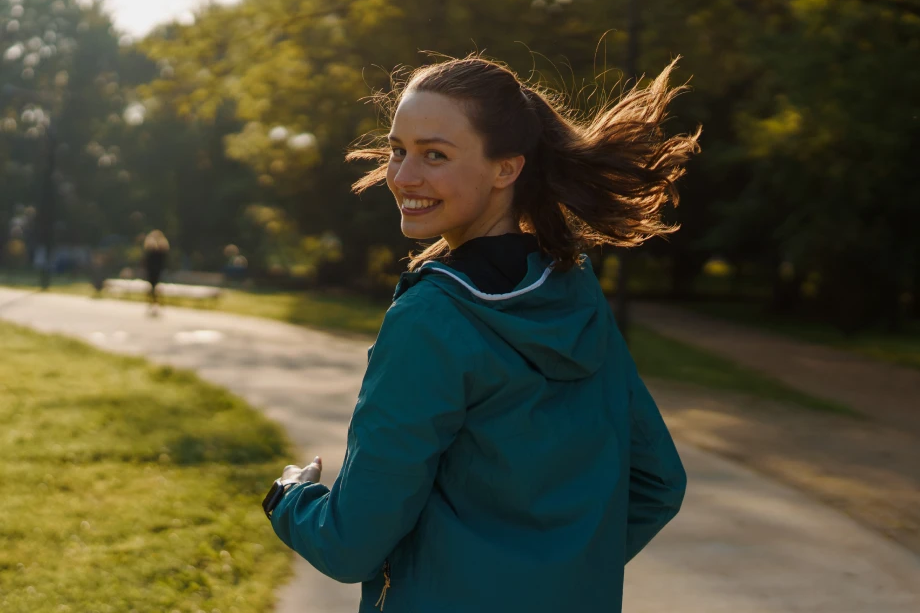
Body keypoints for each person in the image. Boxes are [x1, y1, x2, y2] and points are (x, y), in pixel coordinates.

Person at [263, 56, 699, 612]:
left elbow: (352, 545)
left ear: (506, 169)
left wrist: (289, 497)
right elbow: (657, 482)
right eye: (398, 150)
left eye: (435, 155)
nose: (402, 176)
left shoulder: (430, 319)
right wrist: (551, 579)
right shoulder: (573, 289)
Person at [142, 230, 169, 310]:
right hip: (154, 270)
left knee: (154, 286)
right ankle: (154, 301)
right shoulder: (153, 249)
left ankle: (155, 301)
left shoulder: (159, 249)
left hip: (156, 270)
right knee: (153, 286)